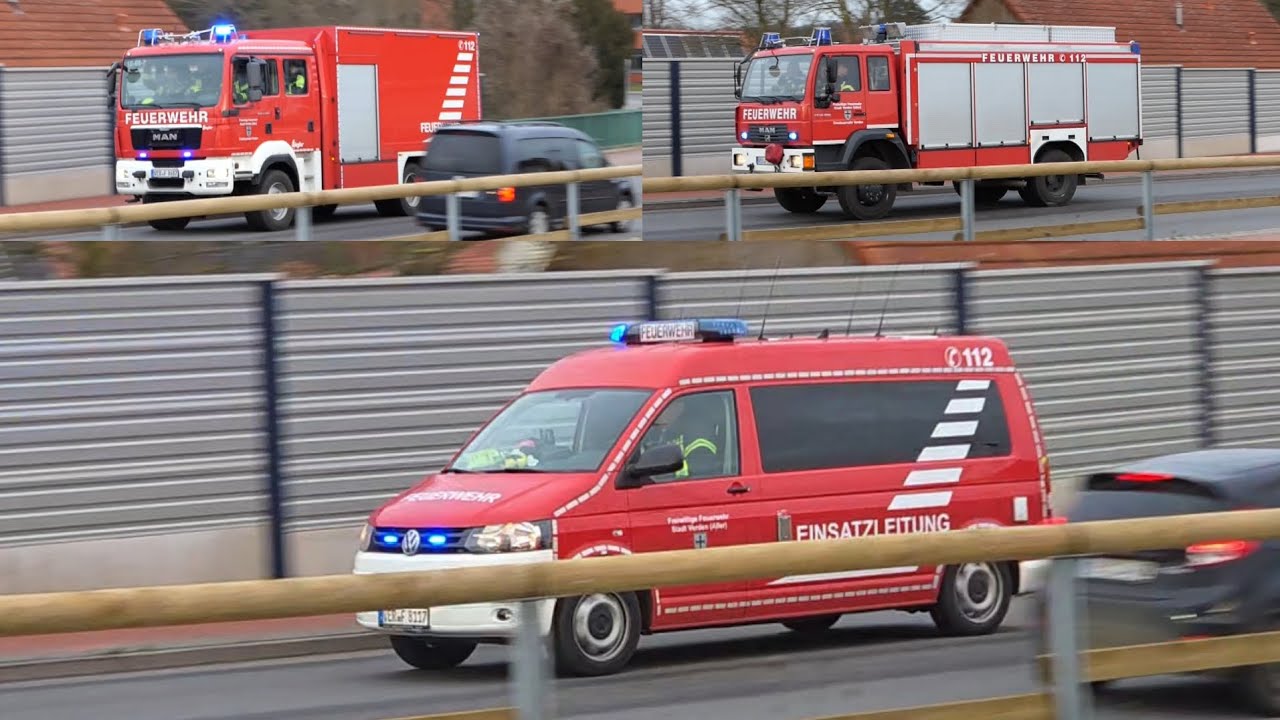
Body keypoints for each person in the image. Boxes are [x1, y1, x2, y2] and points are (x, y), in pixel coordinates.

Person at [642, 396, 721, 480]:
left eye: (662, 409)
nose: (656, 415)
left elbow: (701, 478)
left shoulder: (697, 436)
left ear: (679, 407)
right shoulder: (661, 431)